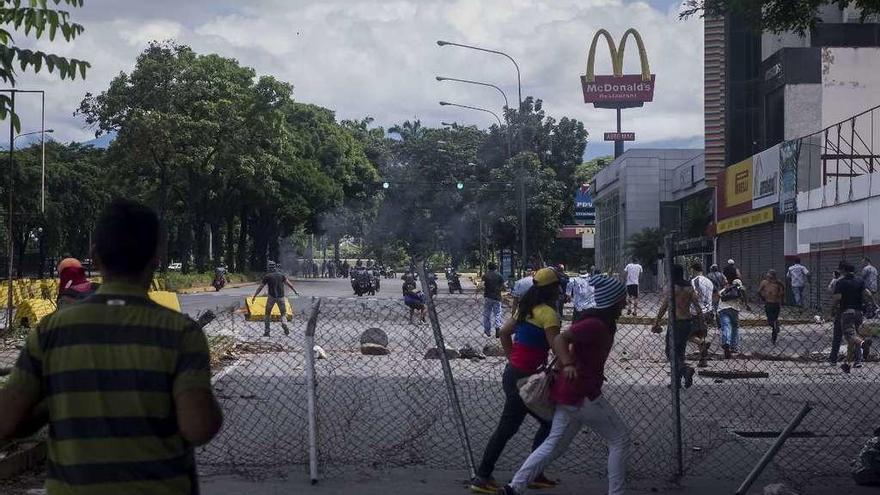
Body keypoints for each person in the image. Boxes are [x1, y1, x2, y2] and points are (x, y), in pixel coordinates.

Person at [0, 199, 223, 494]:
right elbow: (199, 427)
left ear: (96, 256)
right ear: (156, 256)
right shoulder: (180, 334)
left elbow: (6, 422)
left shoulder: (51, 331)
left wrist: (52, 401)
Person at [498, 275, 629, 495]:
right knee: (620, 439)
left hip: (569, 393)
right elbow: (560, 339)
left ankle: (513, 488)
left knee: (553, 445)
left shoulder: (601, 322)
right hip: (582, 393)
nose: (625, 303)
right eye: (622, 299)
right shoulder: (594, 324)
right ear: (613, 300)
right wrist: (567, 364)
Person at [470, 268, 561, 494]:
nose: (560, 289)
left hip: (514, 374)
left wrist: (512, 358)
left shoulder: (525, 309)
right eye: (558, 285)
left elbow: (503, 333)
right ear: (552, 289)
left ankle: (529, 473)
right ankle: (483, 477)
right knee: (547, 424)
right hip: (526, 379)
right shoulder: (549, 314)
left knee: (519, 426)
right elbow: (556, 345)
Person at [651, 265, 702, 388]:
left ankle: (685, 370)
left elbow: (664, 306)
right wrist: (702, 321)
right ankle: (677, 382)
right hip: (687, 322)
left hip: (676, 323)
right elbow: (697, 306)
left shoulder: (672, 288)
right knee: (680, 352)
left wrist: (656, 321)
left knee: (670, 352)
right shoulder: (690, 287)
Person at [829, 263, 873, 373]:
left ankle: (833, 359)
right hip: (858, 312)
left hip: (845, 312)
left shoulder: (840, 282)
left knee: (840, 336)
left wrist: (832, 310)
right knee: (855, 335)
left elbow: (837, 298)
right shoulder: (860, 281)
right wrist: (872, 303)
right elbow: (868, 293)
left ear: (843, 270)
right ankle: (857, 361)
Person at [252, 262, 300, 337]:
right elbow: (290, 284)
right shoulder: (281, 275)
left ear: (269, 268)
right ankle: (284, 323)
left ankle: (267, 331)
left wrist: (255, 296)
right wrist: (295, 291)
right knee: (283, 313)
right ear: (275, 267)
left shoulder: (267, 276)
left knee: (267, 314)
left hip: (271, 297)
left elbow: (260, 287)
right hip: (281, 297)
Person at [689, 262, 714, 368]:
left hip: (697, 312)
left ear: (693, 270)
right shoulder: (709, 282)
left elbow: (696, 295)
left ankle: (701, 343)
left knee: (689, 335)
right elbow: (716, 295)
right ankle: (703, 360)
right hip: (708, 311)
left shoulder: (695, 281)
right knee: (702, 334)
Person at [718, 279, 750, 359]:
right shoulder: (740, 289)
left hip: (723, 309)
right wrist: (746, 305)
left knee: (726, 326)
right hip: (734, 310)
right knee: (735, 327)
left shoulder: (725, 289)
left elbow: (719, 295)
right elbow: (743, 298)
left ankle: (726, 343)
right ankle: (733, 346)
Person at [757, 270, 786, 344]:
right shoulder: (764, 282)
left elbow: (782, 291)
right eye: (768, 277)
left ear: (774, 276)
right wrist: (763, 298)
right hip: (768, 303)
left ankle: (774, 338)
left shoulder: (778, 283)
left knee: (775, 319)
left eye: (770, 277)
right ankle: (775, 326)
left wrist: (781, 299)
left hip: (776, 304)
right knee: (770, 320)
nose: (769, 278)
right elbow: (759, 291)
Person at [482, 262, 505, 338]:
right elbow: (504, 286)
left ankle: (487, 331)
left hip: (488, 297)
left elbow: (482, 285)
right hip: (497, 297)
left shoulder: (485, 275)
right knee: (497, 313)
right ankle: (498, 328)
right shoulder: (499, 275)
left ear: (488, 267)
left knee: (487, 314)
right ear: (496, 267)